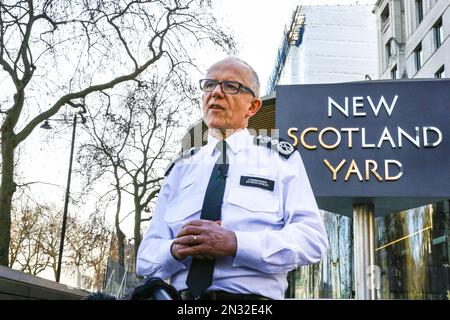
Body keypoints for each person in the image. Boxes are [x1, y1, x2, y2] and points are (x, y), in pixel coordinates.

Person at [136, 56, 328, 300]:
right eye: (209, 85)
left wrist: (235, 243)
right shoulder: (180, 169)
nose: (216, 93)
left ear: (253, 107)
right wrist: (174, 249)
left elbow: (312, 240)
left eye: (230, 86)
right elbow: (144, 259)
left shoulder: (280, 160)